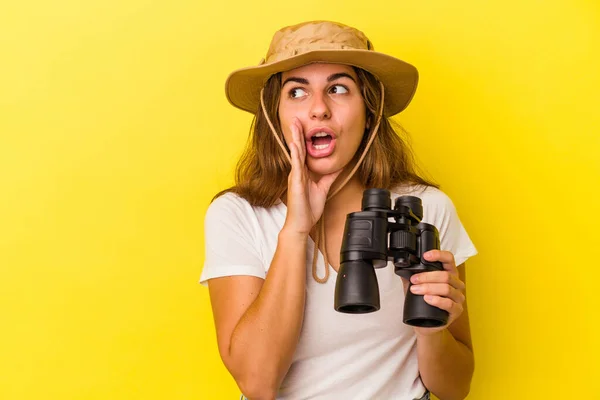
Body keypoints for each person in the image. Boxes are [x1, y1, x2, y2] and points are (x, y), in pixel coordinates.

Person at [199, 20, 478, 400]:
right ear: (274, 117)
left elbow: (456, 388)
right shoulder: (237, 214)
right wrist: (295, 231)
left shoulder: (426, 208)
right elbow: (257, 384)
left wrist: (431, 332)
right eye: (296, 92)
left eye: (338, 88)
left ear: (369, 113)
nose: (318, 109)